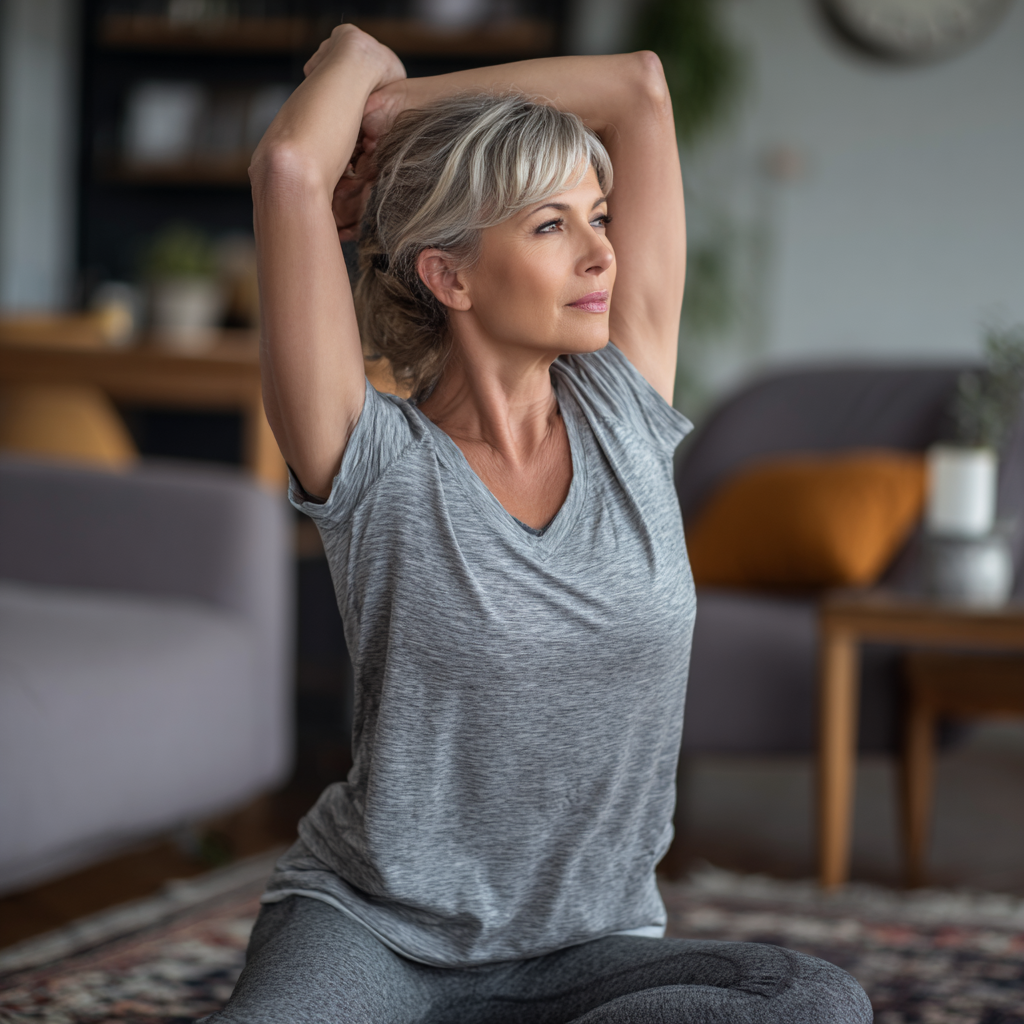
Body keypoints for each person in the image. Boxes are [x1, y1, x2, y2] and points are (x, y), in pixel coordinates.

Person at [208, 24, 873, 1024]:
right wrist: (353, 60)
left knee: (813, 1004)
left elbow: (639, 89)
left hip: (587, 949)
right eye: (551, 225)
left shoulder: (623, 405)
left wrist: (401, 108)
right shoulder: (371, 459)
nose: (602, 249)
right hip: (377, 932)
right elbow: (291, 168)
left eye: (598, 214)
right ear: (451, 276)